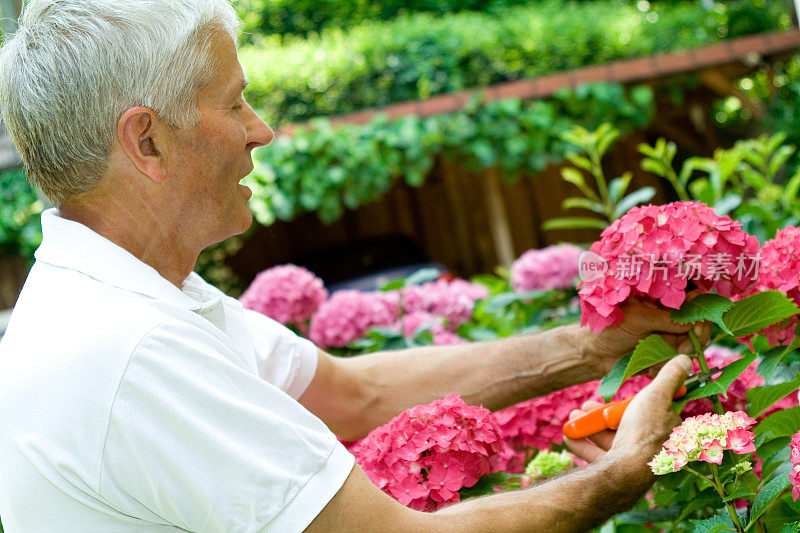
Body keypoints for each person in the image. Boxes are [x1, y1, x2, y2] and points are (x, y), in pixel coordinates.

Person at [0, 1, 710, 531]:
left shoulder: (127, 297)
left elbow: (352, 393)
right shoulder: (130, 350)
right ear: (146, 141)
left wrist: (591, 349)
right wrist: (627, 469)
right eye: (234, 101)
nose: (260, 129)